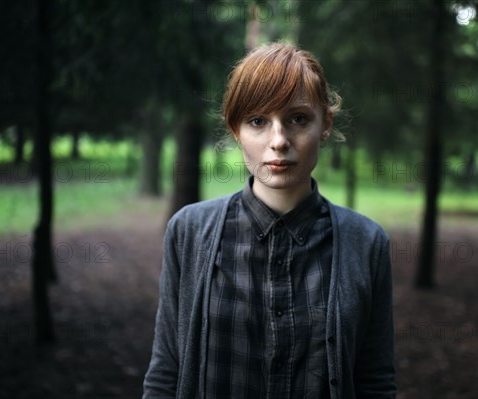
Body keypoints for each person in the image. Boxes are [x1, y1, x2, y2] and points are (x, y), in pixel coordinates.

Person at [143, 42, 396, 399]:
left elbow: (375, 381)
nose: (279, 141)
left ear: (326, 124)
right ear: (235, 130)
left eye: (298, 119)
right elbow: (166, 370)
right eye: (258, 121)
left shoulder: (367, 243)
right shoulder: (189, 231)